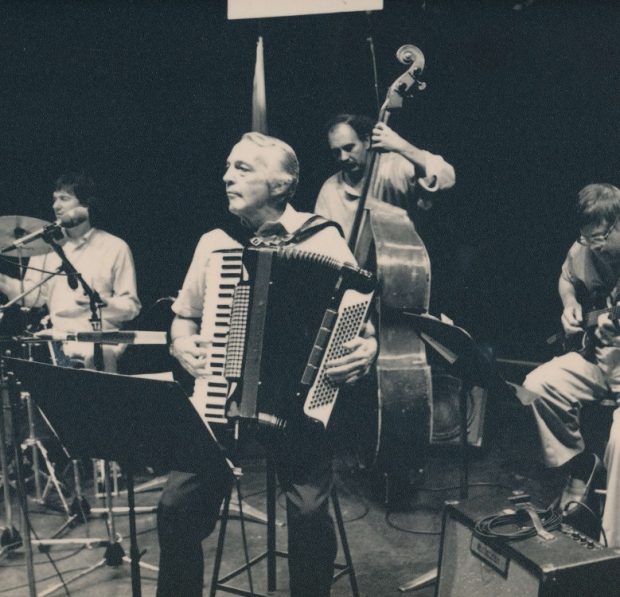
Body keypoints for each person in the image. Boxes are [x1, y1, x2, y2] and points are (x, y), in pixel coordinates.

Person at [157, 132, 378, 597]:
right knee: (174, 506)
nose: (226, 177)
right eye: (227, 166)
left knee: (309, 514)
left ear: (281, 184)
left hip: (297, 409)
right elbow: (184, 317)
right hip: (221, 401)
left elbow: (361, 325)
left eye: (242, 168)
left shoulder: (324, 240)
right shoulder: (213, 243)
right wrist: (181, 345)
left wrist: (366, 352)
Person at [522, 183, 620, 548]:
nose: (593, 245)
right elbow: (566, 278)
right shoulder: (583, 247)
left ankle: (611, 549)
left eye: (600, 237)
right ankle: (579, 469)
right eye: (586, 236)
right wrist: (569, 306)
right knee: (538, 384)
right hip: (601, 362)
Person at [0, 172, 141, 371]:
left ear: (86, 205)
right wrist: (3, 282)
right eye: (54, 199)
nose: (55, 206)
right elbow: (33, 298)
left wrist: (102, 303)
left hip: (102, 341)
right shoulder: (46, 246)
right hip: (59, 339)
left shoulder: (115, 247)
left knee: (96, 355)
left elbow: (131, 307)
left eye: (64, 199)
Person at [314, 113, 455, 242]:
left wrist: (402, 146)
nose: (343, 157)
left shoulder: (395, 167)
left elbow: (447, 177)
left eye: (349, 148)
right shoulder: (329, 189)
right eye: (336, 152)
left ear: (367, 141)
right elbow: (323, 240)